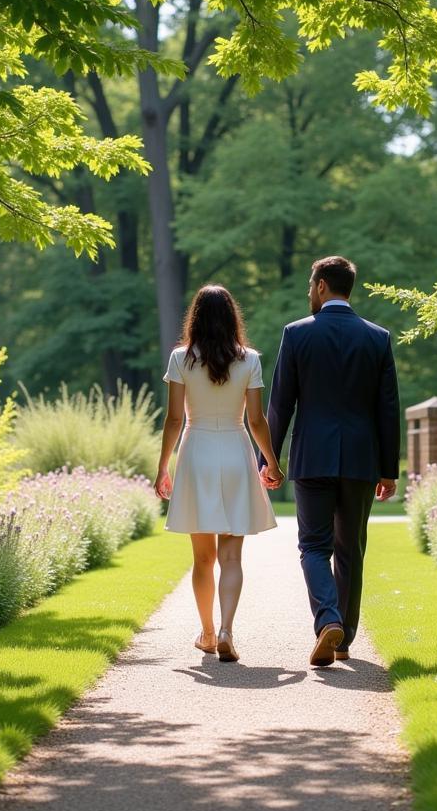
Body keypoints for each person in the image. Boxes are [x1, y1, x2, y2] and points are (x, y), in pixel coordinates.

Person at [260, 256, 400, 667]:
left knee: (314, 547)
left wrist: (267, 459)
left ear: (322, 286)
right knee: (350, 549)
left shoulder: (297, 334)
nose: (308, 292)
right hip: (360, 459)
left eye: (310, 285)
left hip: (312, 458)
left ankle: (327, 620)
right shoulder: (377, 338)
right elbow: (387, 409)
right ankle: (342, 641)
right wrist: (388, 469)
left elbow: (280, 404)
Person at [156, 285, 284, 663]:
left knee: (202, 560)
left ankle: (208, 633)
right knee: (231, 557)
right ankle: (228, 629)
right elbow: (257, 420)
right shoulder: (250, 360)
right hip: (235, 451)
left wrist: (163, 466)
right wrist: (271, 463)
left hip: (196, 454)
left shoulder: (181, 358)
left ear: (195, 317)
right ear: (232, 318)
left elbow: (174, 418)